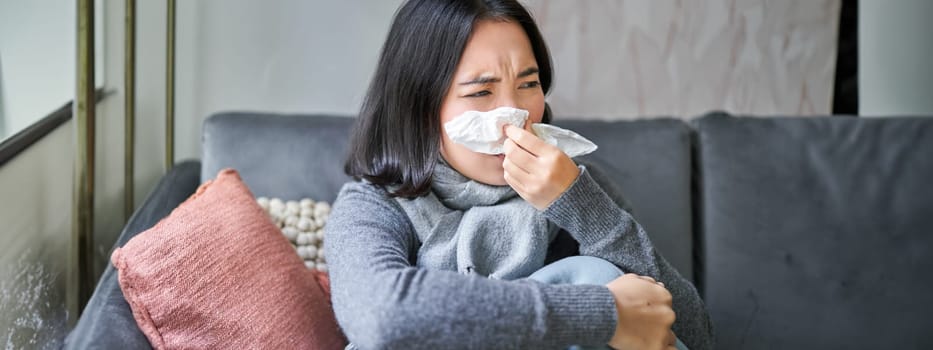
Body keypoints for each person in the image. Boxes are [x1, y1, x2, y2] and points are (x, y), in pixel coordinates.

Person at [324, 0, 714, 349]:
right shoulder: (377, 204)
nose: (516, 116)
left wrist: (579, 205)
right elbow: (379, 315)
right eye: (481, 93)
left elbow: (693, 335)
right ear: (421, 110)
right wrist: (600, 313)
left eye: (528, 84)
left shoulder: (577, 187)